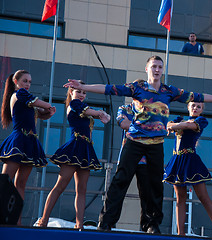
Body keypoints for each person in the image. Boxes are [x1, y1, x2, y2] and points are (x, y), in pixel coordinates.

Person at [63, 55, 212, 233]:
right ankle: (106, 222)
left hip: (156, 144)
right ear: (147, 69)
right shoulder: (137, 87)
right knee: (120, 180)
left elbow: (196, 96)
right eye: (153, 66)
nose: (157, 70)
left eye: (160, 67)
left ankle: (152, 224)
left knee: (154, 185)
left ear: (163, 70)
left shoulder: (168, 91)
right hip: (135, 141)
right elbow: (109, 88)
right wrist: (82, 87)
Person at [38, 82, 110, 229]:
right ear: (71, 92)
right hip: (74, 148)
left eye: (84, 92)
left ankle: (79, 225)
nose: (82, 95)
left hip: (85, 150)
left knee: (81, 189)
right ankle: (43, 221)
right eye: (78, 91)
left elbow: (90, 123)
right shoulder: (75, 104)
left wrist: (101, 115)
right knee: (60, 185)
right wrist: (101, 113)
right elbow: (91, 112)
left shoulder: (84, 107)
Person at [0, 70, 56, 225]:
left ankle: (16, 220)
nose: (28, 84)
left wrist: (48, 112)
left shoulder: (27, 99)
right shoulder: (20, 95)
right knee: (5, 181)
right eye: (25, 81)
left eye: (30, 82)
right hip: (19, 141)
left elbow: (40, 112)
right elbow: (40, 103)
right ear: (16, 82)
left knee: (21, 184)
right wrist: (49, 105)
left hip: (29, 142)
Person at [163, 102, 212, 239]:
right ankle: (181, 234)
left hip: (191, 161)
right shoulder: (180, 119)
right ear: (188, 107)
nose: (195, 108)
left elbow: (186, 126)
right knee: (180, 198)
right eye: (193, 106)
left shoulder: (201, 121)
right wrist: (174, 125)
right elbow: (168, 125)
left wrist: (175, 126)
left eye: (198, 107)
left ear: (202, 110)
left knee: (204, 198)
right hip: (177, 160)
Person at [116, 87, 163, 232]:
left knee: (147, 194)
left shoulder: (152, 109)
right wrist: (145, 127)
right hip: (129, 156)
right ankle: (108, 222)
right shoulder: (125, 108)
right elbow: (123, 123)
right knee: (119, 189)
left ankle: (148, 225)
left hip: (146, 159)